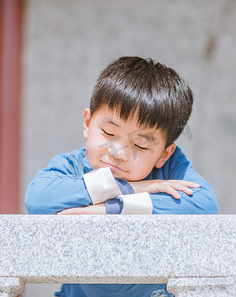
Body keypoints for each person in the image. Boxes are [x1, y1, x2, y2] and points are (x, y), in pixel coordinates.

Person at [25, 56, 218, 297]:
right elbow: (38, 199)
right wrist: (132, 189)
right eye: (108, 132)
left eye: (141, 145)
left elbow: (204, 205)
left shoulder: (169, 170)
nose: (119, 153)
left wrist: (107, 208)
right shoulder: (73, 165)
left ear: (164, 154)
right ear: (87, 122)